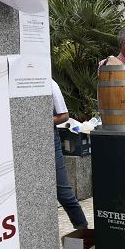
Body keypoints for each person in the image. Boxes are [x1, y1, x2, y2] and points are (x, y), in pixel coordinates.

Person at [51, 79, 88, 230]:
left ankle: (84, 233)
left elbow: (64, 115)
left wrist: (39, 122)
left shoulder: (50, 83)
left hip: (50, 137)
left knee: (64, 193)